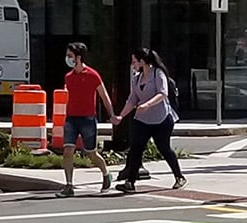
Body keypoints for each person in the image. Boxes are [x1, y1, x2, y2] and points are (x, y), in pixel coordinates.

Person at [114, 47, 184, 193]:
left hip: (161, 119)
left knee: (164, 148)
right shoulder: (136, 78)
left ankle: (179, 176)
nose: (133, 64)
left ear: (142, 61)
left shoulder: (158, 74)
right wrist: (121, 116)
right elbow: (132, 99)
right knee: (136, 149)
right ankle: (130, 183)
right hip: (142, 119)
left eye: (134, 61)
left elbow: (162, 93)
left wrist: (147, 104)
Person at [55, 42, 116, 197]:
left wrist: (112, 114)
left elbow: (104, 95)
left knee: (91, 154)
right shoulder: (68, 77)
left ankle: (105, 173)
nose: (68, 59)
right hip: (71, 119)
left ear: (79, 57)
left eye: (70, 56)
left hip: (88, 119)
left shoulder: (93, 75)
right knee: (68, 151)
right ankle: (69, 185)